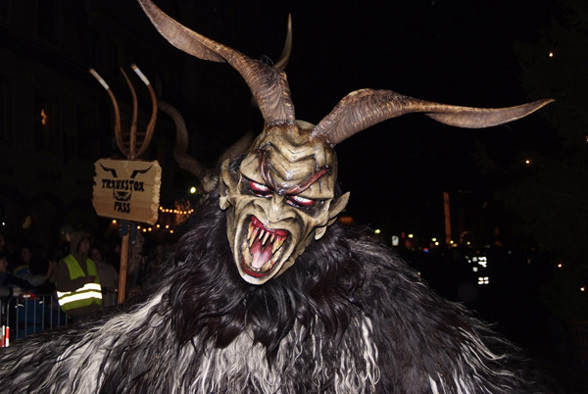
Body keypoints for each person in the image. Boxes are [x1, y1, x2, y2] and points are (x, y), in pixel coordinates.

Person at [55, 231, 102, 320]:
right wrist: (84, 280)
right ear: (77, 244)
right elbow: (61, 286)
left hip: (94, 312)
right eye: (85, 243)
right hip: (77, 313)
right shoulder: (65, 263)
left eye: (89, 243)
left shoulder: (90, 263)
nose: (88, 246)